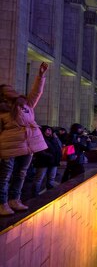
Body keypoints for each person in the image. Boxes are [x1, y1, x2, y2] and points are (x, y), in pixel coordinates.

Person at [0, 62, 49, 216]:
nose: (11, 91)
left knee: (21, 173)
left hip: (28, 144)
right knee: (5, 175)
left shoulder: (25, 104)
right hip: (9, 145)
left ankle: (15, 199)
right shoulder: (2, 110)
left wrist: (40, 76)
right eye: (7, 90)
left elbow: (36, 92)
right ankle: (2, 203)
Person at [32, 125, 62, 196]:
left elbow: (59, 147)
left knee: (51, 178)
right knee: (39, 178)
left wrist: (56, 138)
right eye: (47, 130)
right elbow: (39, 150)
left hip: (53, 161)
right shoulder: (40, 138)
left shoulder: (53, 139)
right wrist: (49, 155)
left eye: (50, 130)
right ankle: (35, 194)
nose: (49, 131)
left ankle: (49, 193)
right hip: (43, 162)